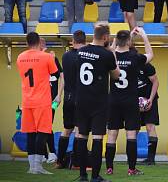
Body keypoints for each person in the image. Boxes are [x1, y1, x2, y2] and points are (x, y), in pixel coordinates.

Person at [105, 27, 153, 176]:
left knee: (112, 135)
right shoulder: (134, 56)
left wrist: (118, 39)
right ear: (129, 42)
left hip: (113, 100)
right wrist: (144, 36)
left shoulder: (111, 56)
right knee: (131, 135)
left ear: (117, 41)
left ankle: (109, 168)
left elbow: (112, 49)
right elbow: (151, 54)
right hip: (130, 101)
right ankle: (131, 169)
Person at [76, 24, 121, 182]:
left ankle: (82, 175)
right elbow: (116, 75)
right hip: (98, 102)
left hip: (81, 100)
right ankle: (95, 176)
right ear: (105, 37)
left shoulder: (80, 52)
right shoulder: (106, 54)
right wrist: (113, 53)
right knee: (97, 138)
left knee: (81, 136)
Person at [16, 32, 58, 175]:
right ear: (39, 42)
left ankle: (31, 167)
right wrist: (51, 58)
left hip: (27, 100)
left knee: (30, 134)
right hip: (42, 101)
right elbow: (55, 74)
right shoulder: (46, 57)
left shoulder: (20, 57)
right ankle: (38, 166)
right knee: (42, 132)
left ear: (27, 42)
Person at [55, 30, 87, 169]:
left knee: (67, 129)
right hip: (82, 98)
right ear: (84, 42)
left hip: (68, 97)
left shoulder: (66, 56)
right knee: (80, 131)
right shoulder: (87, 56)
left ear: (73, 41)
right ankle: (75, 163)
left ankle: (60, 161)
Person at [39, 38, 64, 164]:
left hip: (53, 100)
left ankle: (52, 153)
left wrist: (59, 95)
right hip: (39, 100)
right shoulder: (37, 60)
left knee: (47, 124)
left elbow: (62, 76)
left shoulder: (52, 58)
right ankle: (44, 154)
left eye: (43, 44)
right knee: (40, 126)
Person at [136, 59, 160, 165]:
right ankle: (131, 158)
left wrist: (150, 99)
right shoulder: (125, 65)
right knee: (133, 129)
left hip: (149, 99)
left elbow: (156, 82)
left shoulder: (146, 65)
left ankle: (151, 159)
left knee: (150, 127)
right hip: (133, 101)